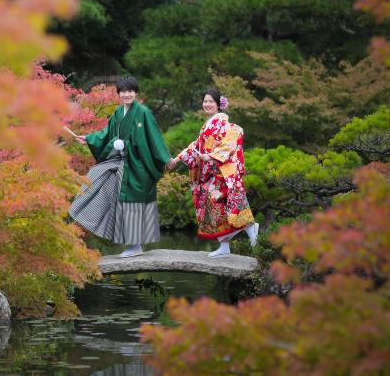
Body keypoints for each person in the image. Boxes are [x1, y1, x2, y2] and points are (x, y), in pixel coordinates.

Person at [69, 76, 172, 257]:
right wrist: (89, 138)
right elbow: (107, 133)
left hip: (138, 164)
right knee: (96, 175)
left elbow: (154, 137)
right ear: (119, 94)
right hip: (121, 160)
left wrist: (165, 158)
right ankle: (89, 219)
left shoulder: (143, 112)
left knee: (131, 203)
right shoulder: (118, 113)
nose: (127, 95)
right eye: (123, 91)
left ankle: (135, 246)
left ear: (136, 93)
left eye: (130, 91)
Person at [166, 87, 258, 257]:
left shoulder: (223, 123)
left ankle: (249, 226)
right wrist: (177, 159)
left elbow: (230, 142)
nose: (207, 104)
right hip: (211, 173)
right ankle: (224, 246)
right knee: (217, 210)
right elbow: (196, 145)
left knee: (225, 204)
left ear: (218, 105)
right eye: (205, 101)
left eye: (210, 101)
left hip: (221, 171)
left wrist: (211, 156)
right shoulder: (208, 124)